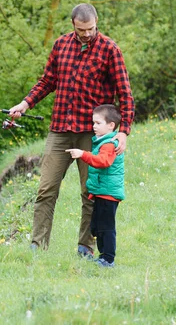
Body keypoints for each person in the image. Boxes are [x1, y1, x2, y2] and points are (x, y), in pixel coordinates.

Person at [8, 3, 134, 257]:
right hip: (60, 130)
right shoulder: (61, 45)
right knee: (46, 188)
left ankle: (85, 247)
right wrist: (25, 103)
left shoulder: (110, 50)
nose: (87, 33)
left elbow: (125, 94)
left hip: (93, 134)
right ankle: (37, 244)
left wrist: (123, 131)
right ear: (73, 25)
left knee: (90, 192)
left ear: (96, 22)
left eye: (90, 28)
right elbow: (47, 81)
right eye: (81, 29)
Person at [66, 104, 124, 268]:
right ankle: (102, 256)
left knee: (106, 227)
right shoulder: (101, 141)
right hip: (101, 192)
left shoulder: (110, 144)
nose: (93, 126)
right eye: (93, 123)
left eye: (98, 123)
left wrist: (83, 154)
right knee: (97, 226)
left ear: (111, 125)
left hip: (108, 194)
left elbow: (103, 162)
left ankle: (108, 259)